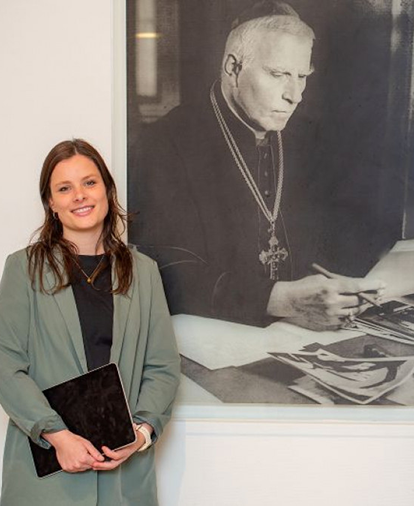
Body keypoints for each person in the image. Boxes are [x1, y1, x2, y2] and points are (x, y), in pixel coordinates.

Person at [129, 0, 384, 330]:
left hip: (307, 333)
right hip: (215, 338)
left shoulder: (306, 138)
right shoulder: (163, 145)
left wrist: (341, 287)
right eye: (278, 74)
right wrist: (279, 299)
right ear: (233, 68)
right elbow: (164, 271)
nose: (295, 95)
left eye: (302, 76)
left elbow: (346, 230)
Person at [0, 139, 181, 505]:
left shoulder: (144, 273)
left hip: (124, 480)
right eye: (65, 188)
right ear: (51, 203)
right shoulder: (22, 270)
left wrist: (139, 435)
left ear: (107, 190)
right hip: (47, 478)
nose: (80, 195)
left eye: (89, 183)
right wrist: (58, 436)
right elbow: (8, 369)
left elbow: (162, 368)